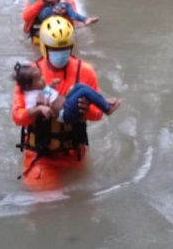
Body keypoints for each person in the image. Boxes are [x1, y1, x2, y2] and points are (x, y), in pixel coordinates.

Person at [12, 16, 112, 190]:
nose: (61, 54)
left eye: (66, 49)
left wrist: (87, 110)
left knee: (84, 204)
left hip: (74, 151)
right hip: (40, 153)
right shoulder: (30, 76)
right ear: (44, 47)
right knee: (48, 202)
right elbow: (18, 117)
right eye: (55, 49)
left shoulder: (85, 72)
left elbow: (97, 115)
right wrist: (37, 110)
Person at [13, 61, 120, 124]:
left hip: (66, 104)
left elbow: (96, 115)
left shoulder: (85, 70)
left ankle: (102, 101)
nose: (43, 79)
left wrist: (51, 85)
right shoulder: (29, 94)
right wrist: (40, 108)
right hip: (65, 112)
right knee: (83, 90)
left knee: (79, 86)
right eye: (40, 79)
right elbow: (23, 114)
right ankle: (107, 108)